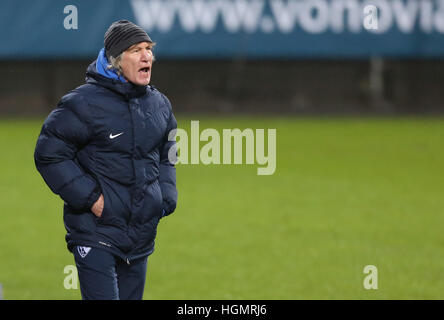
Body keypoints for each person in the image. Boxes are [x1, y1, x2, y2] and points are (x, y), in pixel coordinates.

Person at [34, 20, 178, 300]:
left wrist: (165, 195)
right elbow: (49, 153)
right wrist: (93, 200)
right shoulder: (82, 104)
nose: (147, 56)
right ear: (115, 60)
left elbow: (167, 150)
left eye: (149, 49)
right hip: (95, 232)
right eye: (136, 50)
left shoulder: (159, 104)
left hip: (140, 234)